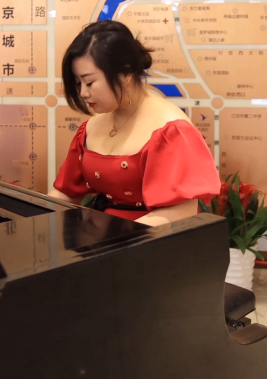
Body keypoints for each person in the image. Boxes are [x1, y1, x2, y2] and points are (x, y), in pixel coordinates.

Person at [48, 21, 220, 226]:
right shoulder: (92, 126)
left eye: (90, 82)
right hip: (98, 235)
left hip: (148, 240)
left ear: (125, 73)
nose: (83, 93)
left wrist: (121, 240)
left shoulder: (170, 130)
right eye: (78, 83)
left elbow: (182, 210)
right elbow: (66, 193)